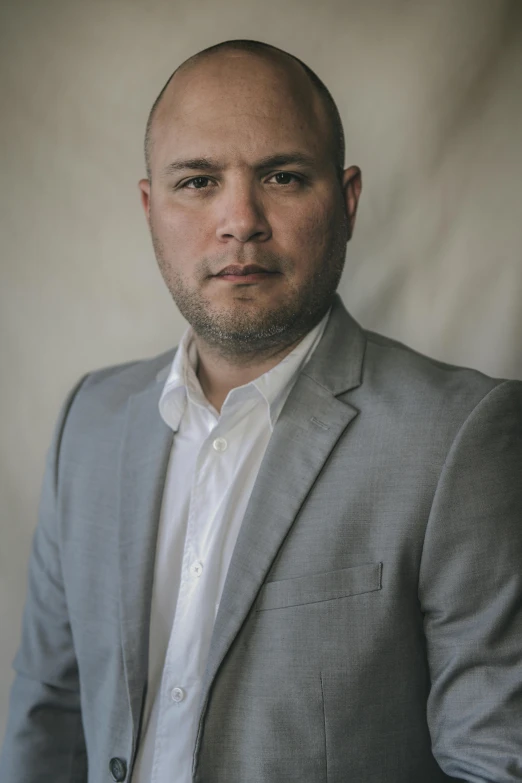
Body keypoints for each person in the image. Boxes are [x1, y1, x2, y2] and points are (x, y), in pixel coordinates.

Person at [1, 39, 521, 783]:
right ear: (150, 208)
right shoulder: (88, 422)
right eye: (198, 180)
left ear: (346, 201)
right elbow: (45, 720)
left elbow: (495, 760)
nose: (239, 220)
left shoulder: (461, 437)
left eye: (282, 175)